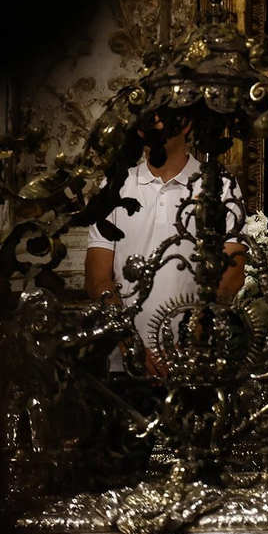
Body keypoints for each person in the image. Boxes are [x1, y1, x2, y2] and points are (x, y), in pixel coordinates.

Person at [85, 112, 245, 370]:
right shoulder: (116, 185)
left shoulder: (220, 186)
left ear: (187, 122)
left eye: (162, 113)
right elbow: (97, 278)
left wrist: (192, 335)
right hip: (125, 362)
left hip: (196, 360)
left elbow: (232, 273)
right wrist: (130, 339)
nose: (152, 120)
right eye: (145, 112)